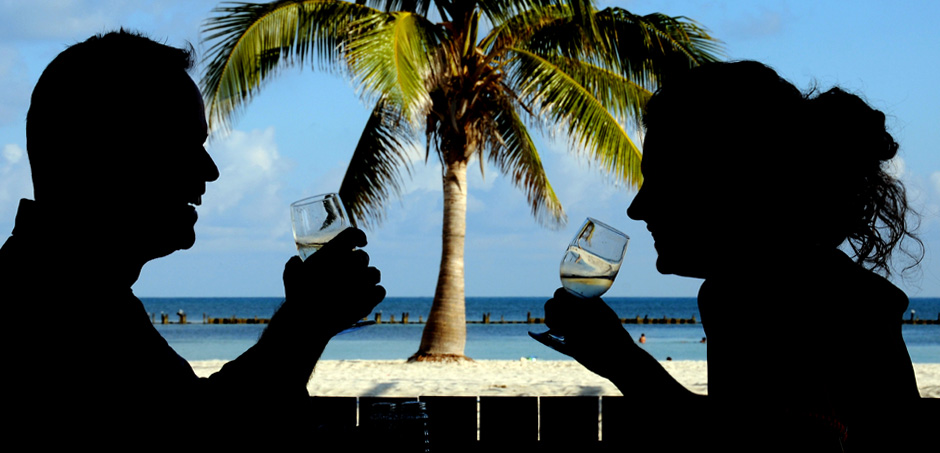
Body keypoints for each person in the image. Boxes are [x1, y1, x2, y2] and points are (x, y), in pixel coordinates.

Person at [0, 30, 385, 446]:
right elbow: (205, 440)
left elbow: (188, 417)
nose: (210, 170)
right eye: (185, 145)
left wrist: (305, 322)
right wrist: (304, 323)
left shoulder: (64, 287)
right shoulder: (60, 305)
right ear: (108, 153)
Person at [542, 61, 930, 451]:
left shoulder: (764, 296)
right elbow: (753, 427)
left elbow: (752, 447)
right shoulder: (816, 286)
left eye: (662, 181)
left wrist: (620, 359)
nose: (637, 208)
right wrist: (617, 357)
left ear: (729, 185)